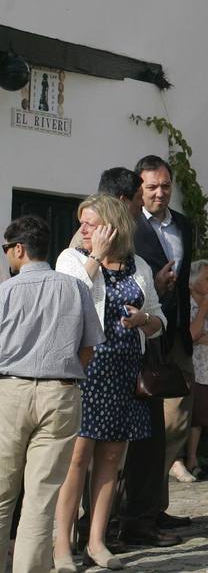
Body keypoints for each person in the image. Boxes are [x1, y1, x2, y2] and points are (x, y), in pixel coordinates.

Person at [54, 194, 167, 571]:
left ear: (113, 226)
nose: (83, 229)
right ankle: (61, 545)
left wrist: (144, 319)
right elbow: (70, 301)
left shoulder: (139, 267)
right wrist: (96, 257)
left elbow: (159, 321)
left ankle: (97, 541)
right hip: (88, 370)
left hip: (123, 371)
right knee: (77, 458)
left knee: (113, 459)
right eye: (81, 222)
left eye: (91, 223)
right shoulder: (72, 259)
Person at [0, 216, 102, 573]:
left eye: (6, 250)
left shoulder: (4, 292)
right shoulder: (75, 288)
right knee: (41, 501)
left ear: (19, 249)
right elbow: (89, 348)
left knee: (1, 496)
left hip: (10, 390)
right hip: (61, 392)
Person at [125, 155, 196, 544]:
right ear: (140, 188)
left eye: (165, 185)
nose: (159, 192)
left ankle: (156, 505)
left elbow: (183, 282)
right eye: (151, 186)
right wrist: (154, 283)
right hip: (144, 337)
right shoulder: (130, 225)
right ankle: (137, 512)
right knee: (146, 431)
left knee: (176, 426)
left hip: (176, 337)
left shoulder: (183, 224)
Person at [176, 261, 208, 484]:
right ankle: (176, 461)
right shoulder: (187, 306)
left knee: (200, 417)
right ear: (192, 284)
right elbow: (191, 335)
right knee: (183, 416)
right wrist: (203, 309)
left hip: (207, 367)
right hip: (187, 367)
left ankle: (193, 460)